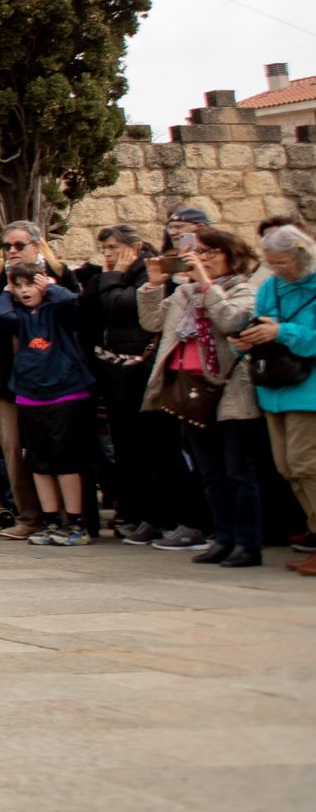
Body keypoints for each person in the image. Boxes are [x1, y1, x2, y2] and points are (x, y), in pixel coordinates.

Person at [142, 226, 264, 566]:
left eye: (210, 253)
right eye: (199, 252)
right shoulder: (184, 293)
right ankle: (222, 537)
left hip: (229, 390)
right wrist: (154, 283)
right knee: (210, 472)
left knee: (238, 471)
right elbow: (151, 321)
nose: (203, 259)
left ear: (231, 255)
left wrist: (207, 286)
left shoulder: (242, 289)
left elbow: (232, 321)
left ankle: (247, 542)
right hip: (190, 391)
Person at [77, 225, 185, 545]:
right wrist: (103, 278)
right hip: (113, 371)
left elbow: (122, 306)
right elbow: (88, 311)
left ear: (133, 248)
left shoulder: (147, 273)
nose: (108, 254)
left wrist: (112, 277)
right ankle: (138, 513)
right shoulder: (109, 274)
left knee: (151, 446)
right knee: (127, 448)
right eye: (105, 249)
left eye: (113, 247)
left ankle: (161, 515)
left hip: (139, 371)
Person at [0, 219, 78, 540]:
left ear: (37, 245)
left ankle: (71, 519)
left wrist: (43, 286)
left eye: (18, 245)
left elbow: (76, 313)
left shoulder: (60, 274)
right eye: (6, 246)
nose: (11, 251)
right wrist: (8, 293)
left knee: (63, 450)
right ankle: (32, 516)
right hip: (14, 378)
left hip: (60, 378)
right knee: (17, 449)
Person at [239, 224, 316, 576]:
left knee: (306, 464)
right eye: (271, 263)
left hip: (308, 390)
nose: (276, 269)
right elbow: (260, 325)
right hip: (273, 389)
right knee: (287, 469)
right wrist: (245, 340)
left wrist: (282, 331)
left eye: (282, 262)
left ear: (302, 255)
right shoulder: (270, 287)